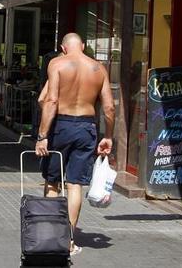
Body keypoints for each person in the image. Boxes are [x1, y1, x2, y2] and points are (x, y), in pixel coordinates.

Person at [35, 33, 114, 255]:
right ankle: (68, 240)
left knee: (52, 182)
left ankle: (51, 237)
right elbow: (109, 107)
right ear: (84, 46)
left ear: (63, 47)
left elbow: (49, 100)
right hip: (86, 126)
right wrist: (107, 135)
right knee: (75, 184)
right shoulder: (98, 68)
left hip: (61, 123)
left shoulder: (57, 63)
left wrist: (42, 135)